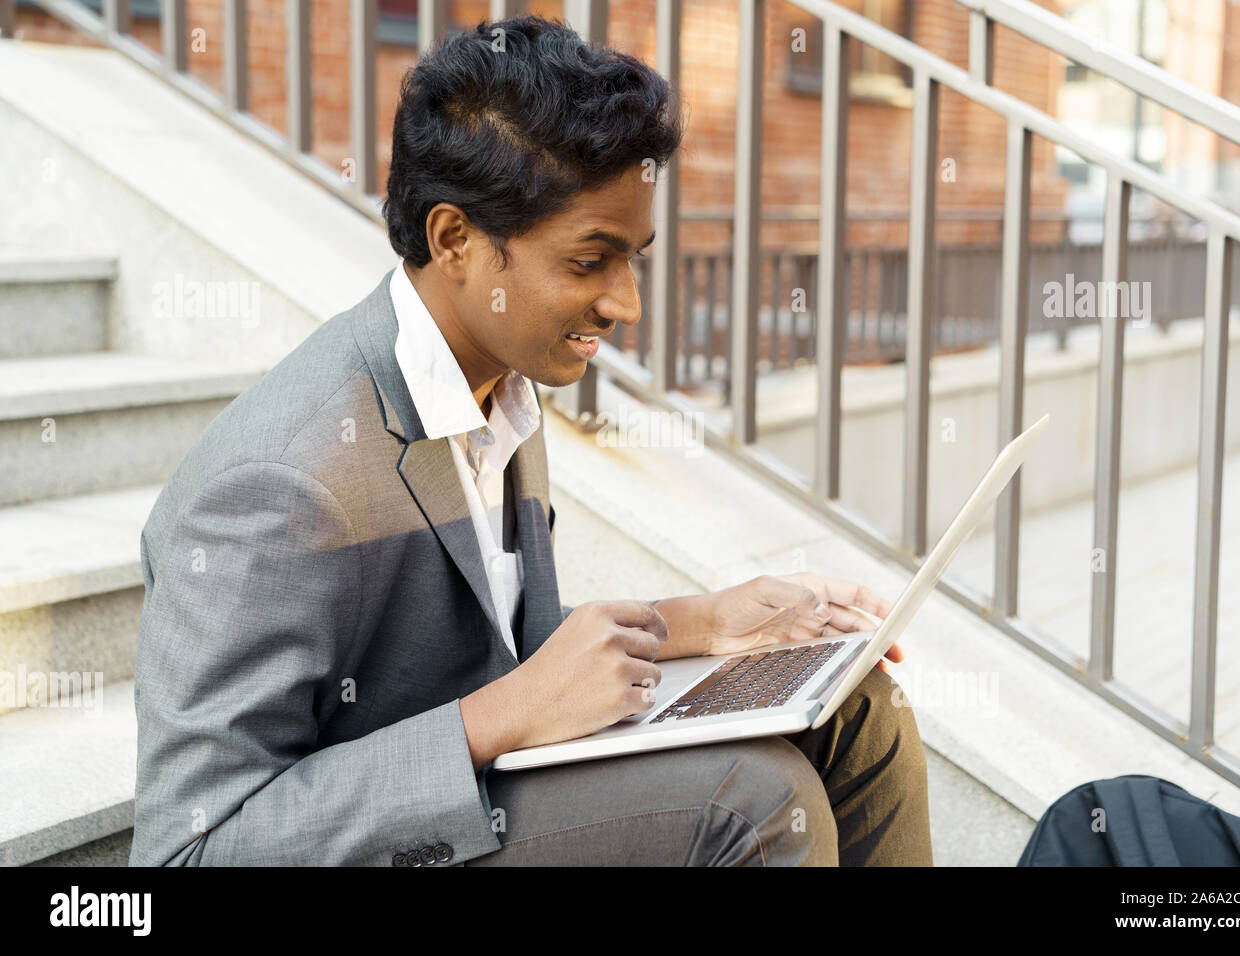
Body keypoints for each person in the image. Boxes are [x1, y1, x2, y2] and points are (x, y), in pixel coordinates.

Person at [128, 15, 932, 867]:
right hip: (403, 838)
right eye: (590, 261)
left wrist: (710, 623)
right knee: (753, 801)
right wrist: (499, 717)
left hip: (481, 792)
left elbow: (501, 651)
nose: (626, 303)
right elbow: (189, 849)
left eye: (633, 258)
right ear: (455, 240)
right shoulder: (280, 481)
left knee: (863, 714)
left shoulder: (501, 383)